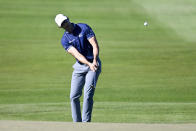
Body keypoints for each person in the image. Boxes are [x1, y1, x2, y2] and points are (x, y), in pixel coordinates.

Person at [55, 14, 101, 122]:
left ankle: (85, 124)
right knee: (73, 96)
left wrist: (94, 60)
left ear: (68, 19)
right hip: (80, 67)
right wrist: (88, 64)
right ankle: (77, 124)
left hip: (93, 65)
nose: (65, 25)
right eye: (62, 25)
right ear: (60, 27)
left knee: (88, 94)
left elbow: (94, 44)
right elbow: (77, 55)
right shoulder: (65, 40)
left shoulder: (84, 28)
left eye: (65, 22)